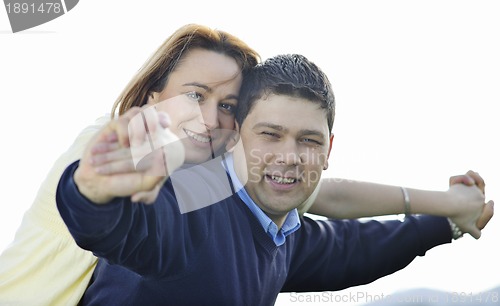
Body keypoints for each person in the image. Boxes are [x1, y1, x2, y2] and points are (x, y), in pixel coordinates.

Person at [0, 23, 492, 305]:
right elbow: (129, 224)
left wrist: (446, 216)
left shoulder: (268, 219)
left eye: (227, 105)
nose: (208, 117)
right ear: (153, 96)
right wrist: (92, 188)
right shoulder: (175, 189)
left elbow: (347, 236)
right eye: (195, 95)